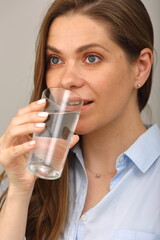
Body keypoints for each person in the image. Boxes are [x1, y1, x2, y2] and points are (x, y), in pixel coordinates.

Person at [0, 0, 160, 239]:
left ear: (140, 67)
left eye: (91, 58)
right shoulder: (28, 175)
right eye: (55, 59)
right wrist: (19, 192)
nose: (67, 80)